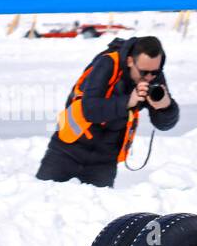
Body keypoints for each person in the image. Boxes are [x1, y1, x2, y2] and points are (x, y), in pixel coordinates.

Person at [36, 35, 178, 188]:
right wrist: (128, 101)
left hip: (105, 158)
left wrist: (165, 107)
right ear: (130, 61)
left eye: (155, 72)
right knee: (42, 201)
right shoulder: (107, 63)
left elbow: (164, 125)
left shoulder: (153, 76)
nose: (149, 77)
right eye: (144, 72)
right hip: (68, 147)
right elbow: (89, 110)